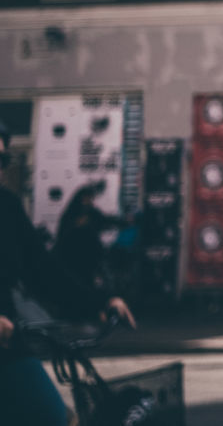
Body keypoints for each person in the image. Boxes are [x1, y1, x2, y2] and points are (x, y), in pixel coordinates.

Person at [0, 121, 137, 426]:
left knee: (57, 417)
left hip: (6, 346)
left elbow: (42, 270)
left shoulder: (6, 206)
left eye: (2, 160)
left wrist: (99, 302)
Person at [54, 179, 118, 290]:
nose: (89, 201)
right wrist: (76, 225)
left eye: (90, 198)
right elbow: (63, 233)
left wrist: (124, 221)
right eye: (86, 198)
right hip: (72, 255)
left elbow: (105, 220)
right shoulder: (72, 213)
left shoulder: (91, 212)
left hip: (88, 258)